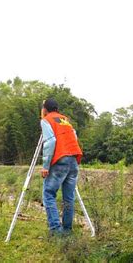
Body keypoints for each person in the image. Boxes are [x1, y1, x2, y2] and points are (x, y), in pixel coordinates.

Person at [40, 98, 83, 236]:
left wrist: (45, 166)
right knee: (69, 197)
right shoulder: (65, 120)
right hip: (73, 160)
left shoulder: (47, 120)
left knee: (48, 194)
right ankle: (67, 230)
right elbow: (74, 137)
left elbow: (50, 142)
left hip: (60, 159)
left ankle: (56, 231)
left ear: (45, 109)